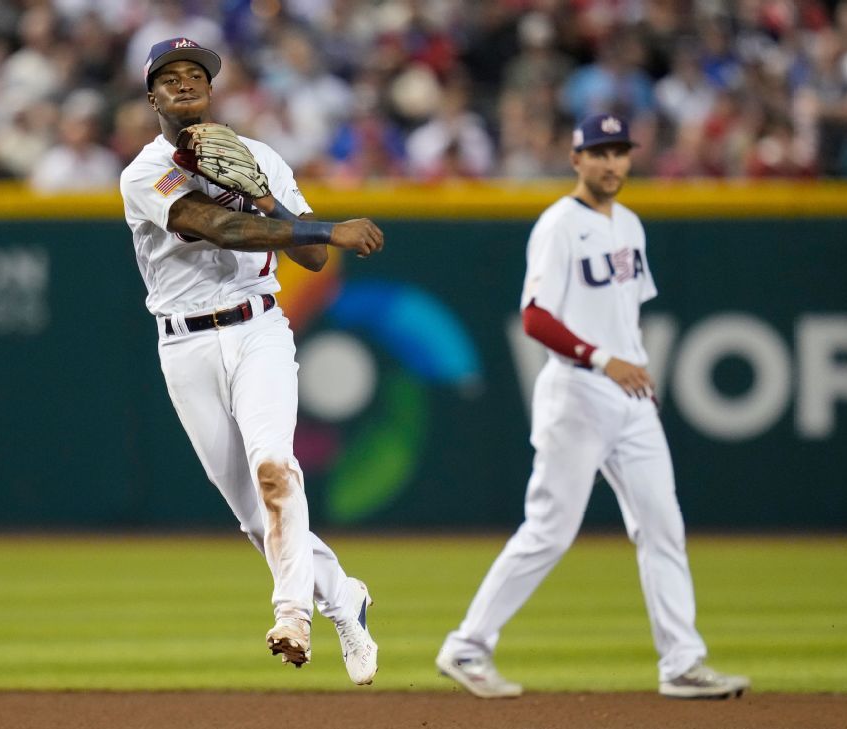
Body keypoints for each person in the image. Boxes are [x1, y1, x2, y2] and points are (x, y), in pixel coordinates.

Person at [435, 113, 750, 700]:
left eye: (619, 152)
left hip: (631, 399)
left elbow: (622, 313)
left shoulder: (630, 224)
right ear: (576, 159)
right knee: (550, 532)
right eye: (599, 152)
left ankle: (682, 662)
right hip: (577, 392)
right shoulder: (558, 225)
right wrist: (606, 359)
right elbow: (534, 317)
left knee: (664, 527)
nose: (611, 163)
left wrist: (628, 362)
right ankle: (467, 646)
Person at [119, 38, 383, 685]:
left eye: (196, 75)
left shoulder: (260, 157)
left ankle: (294, 613)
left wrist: (269, 198)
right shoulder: (144, 172)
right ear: (152, 96)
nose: (185, 84)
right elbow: (218, 226)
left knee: (275, 468)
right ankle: (344, 595)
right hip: (183, 344)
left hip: (257, 329)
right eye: (169, 77)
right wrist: (322, 226)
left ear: (212, 90)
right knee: (249, 513)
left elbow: (312, 262)